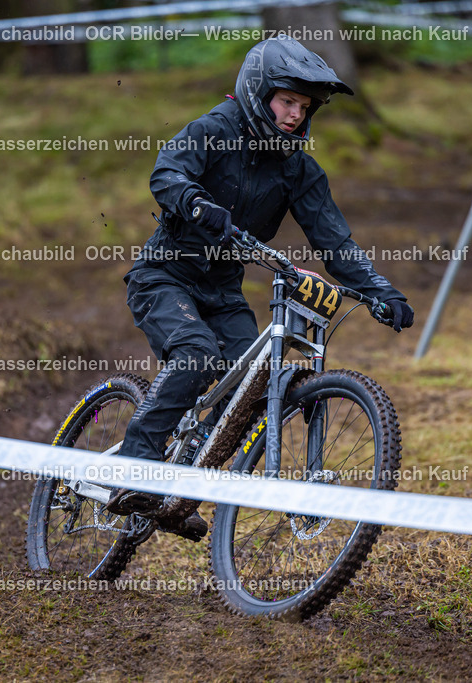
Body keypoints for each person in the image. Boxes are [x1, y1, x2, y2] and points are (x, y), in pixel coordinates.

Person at [105, 36, 414, 540]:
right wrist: (197, 203)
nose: (295, 115)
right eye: (286, 101)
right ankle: (136, 468)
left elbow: (335, 242)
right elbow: (167, 171)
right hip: (164, 276)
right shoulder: (215, 129)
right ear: (259, 92)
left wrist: (383, 291)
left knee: (248, 388)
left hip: (224, 292)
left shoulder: (298, 169)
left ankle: (181, 490)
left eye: (304, 106)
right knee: (195, 353)